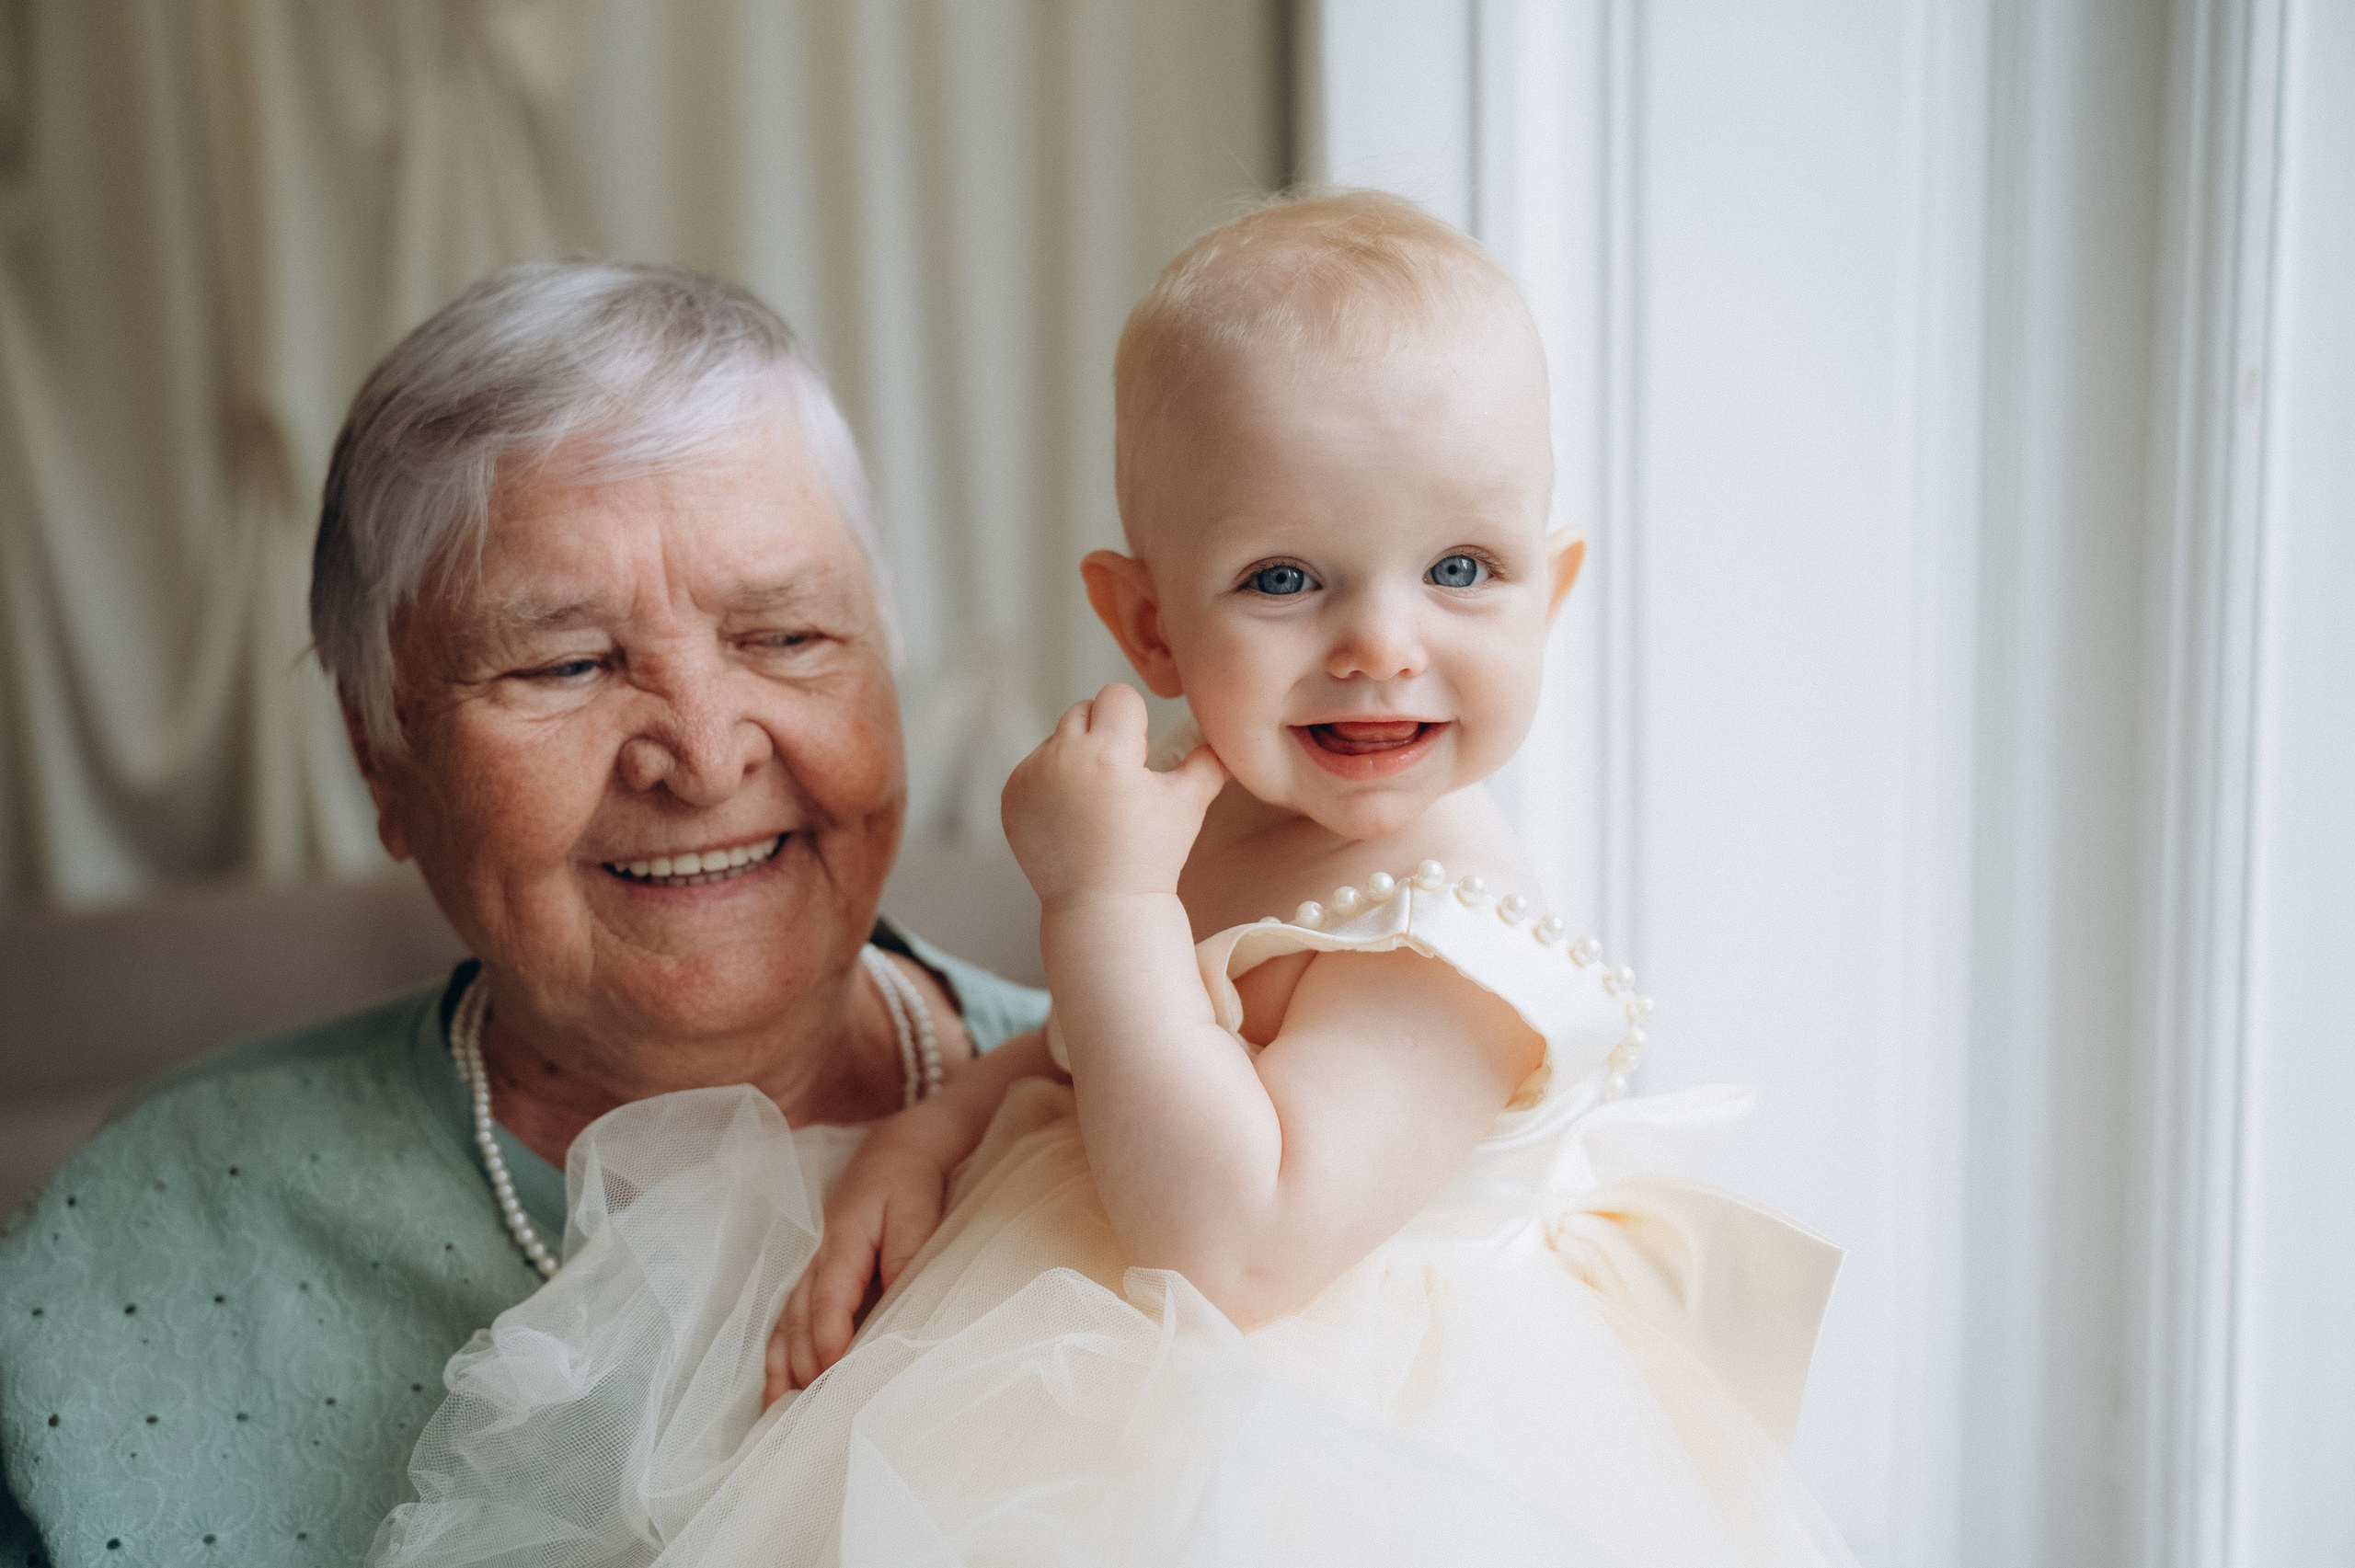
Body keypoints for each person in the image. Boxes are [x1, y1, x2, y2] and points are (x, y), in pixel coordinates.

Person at [373, 195, 1856, 1566]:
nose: (1383, 643)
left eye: (1462, 568)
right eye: (1285, 578)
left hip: (1337, 1461)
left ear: (1555, 590)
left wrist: (1105, 905)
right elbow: (1099, 1053)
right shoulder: (1216, 812)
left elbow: (1239, 1240)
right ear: (1148, 625)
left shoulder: (1450, 926)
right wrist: (936, 1129)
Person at [0, 261, 1051, 1568]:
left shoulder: (1176, 1120)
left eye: (784, 637)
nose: (703, 756)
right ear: (383, 759)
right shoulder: (150, 1237)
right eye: (567, 662)